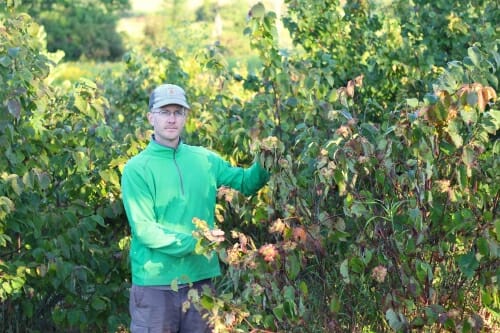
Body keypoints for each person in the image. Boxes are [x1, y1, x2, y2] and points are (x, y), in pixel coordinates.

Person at [121, 83, 269, 333]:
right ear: (151, 117)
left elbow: (245, 182)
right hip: (155, 285)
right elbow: (145, 230)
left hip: (200, 283)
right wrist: (199, 240)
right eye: (164, 112)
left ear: (185, 117)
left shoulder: (204, 159)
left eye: (178, 112)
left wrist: (267, 160)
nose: (171, 119)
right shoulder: (137, 168)